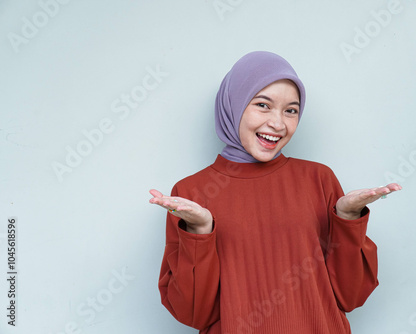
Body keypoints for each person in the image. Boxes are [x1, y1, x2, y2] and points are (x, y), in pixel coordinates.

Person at [149, 51, 401, 334]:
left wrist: (348, 218)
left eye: (291, 110)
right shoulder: (190, 193)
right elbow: (193, 313)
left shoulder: (319, 179)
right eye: (263, 105)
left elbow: (351, 295)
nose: (278, 124)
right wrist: (200, 233)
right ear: (233, 105)